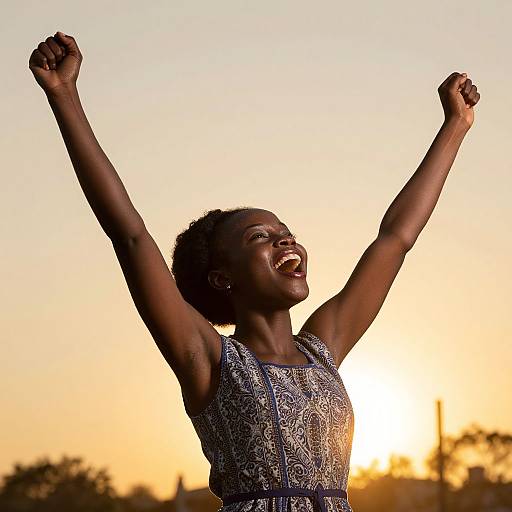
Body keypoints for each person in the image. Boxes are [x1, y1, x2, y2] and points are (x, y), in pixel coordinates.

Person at [29, 31, 480, 512]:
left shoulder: (323, 347)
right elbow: (131, 235)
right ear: (224, 278)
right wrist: (64, 96)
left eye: (286, 230)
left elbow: (395, 239)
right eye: (259, 237)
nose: (285, 239)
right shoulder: (209, 359)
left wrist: (455, 125)